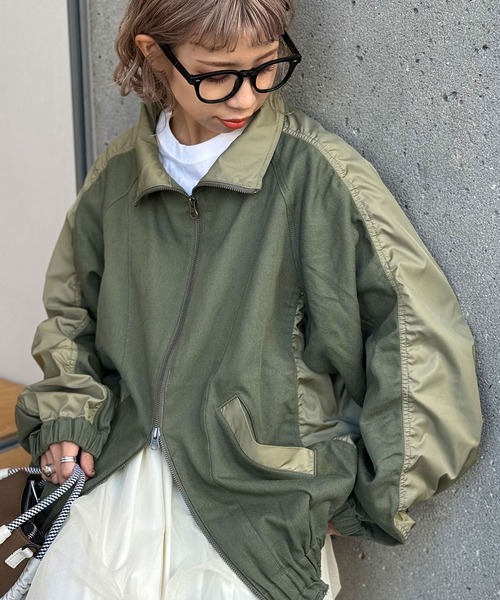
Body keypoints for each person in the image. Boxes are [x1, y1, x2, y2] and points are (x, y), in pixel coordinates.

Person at [15, 0, 482, 598]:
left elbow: (420, 348)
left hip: (253, 527)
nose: (246, 96)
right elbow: (71, 314)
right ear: (153, 53)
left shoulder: (315, 178)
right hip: (111, 499)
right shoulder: (118, 176)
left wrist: (358, 497)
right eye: (217, 75)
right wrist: (68, 417)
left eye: (265, 66)